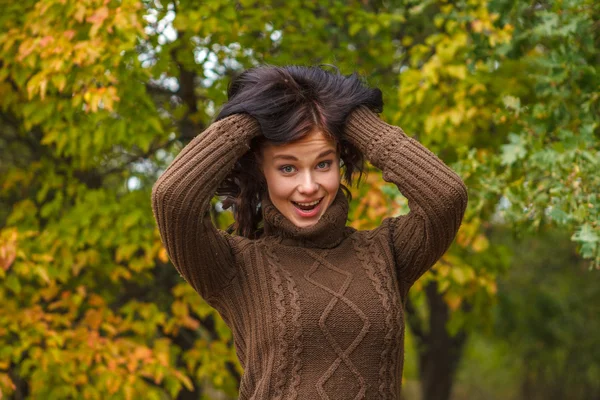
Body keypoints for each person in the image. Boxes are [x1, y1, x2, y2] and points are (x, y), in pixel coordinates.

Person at [151, 65, 468, 399]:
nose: (308, 186)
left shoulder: (387, 253)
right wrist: (257, 113)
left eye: (323, 164)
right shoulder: (234, 268)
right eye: (288, 168)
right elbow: (172, 198)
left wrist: (346, 115)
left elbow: (445, 196)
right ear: (263, 172)